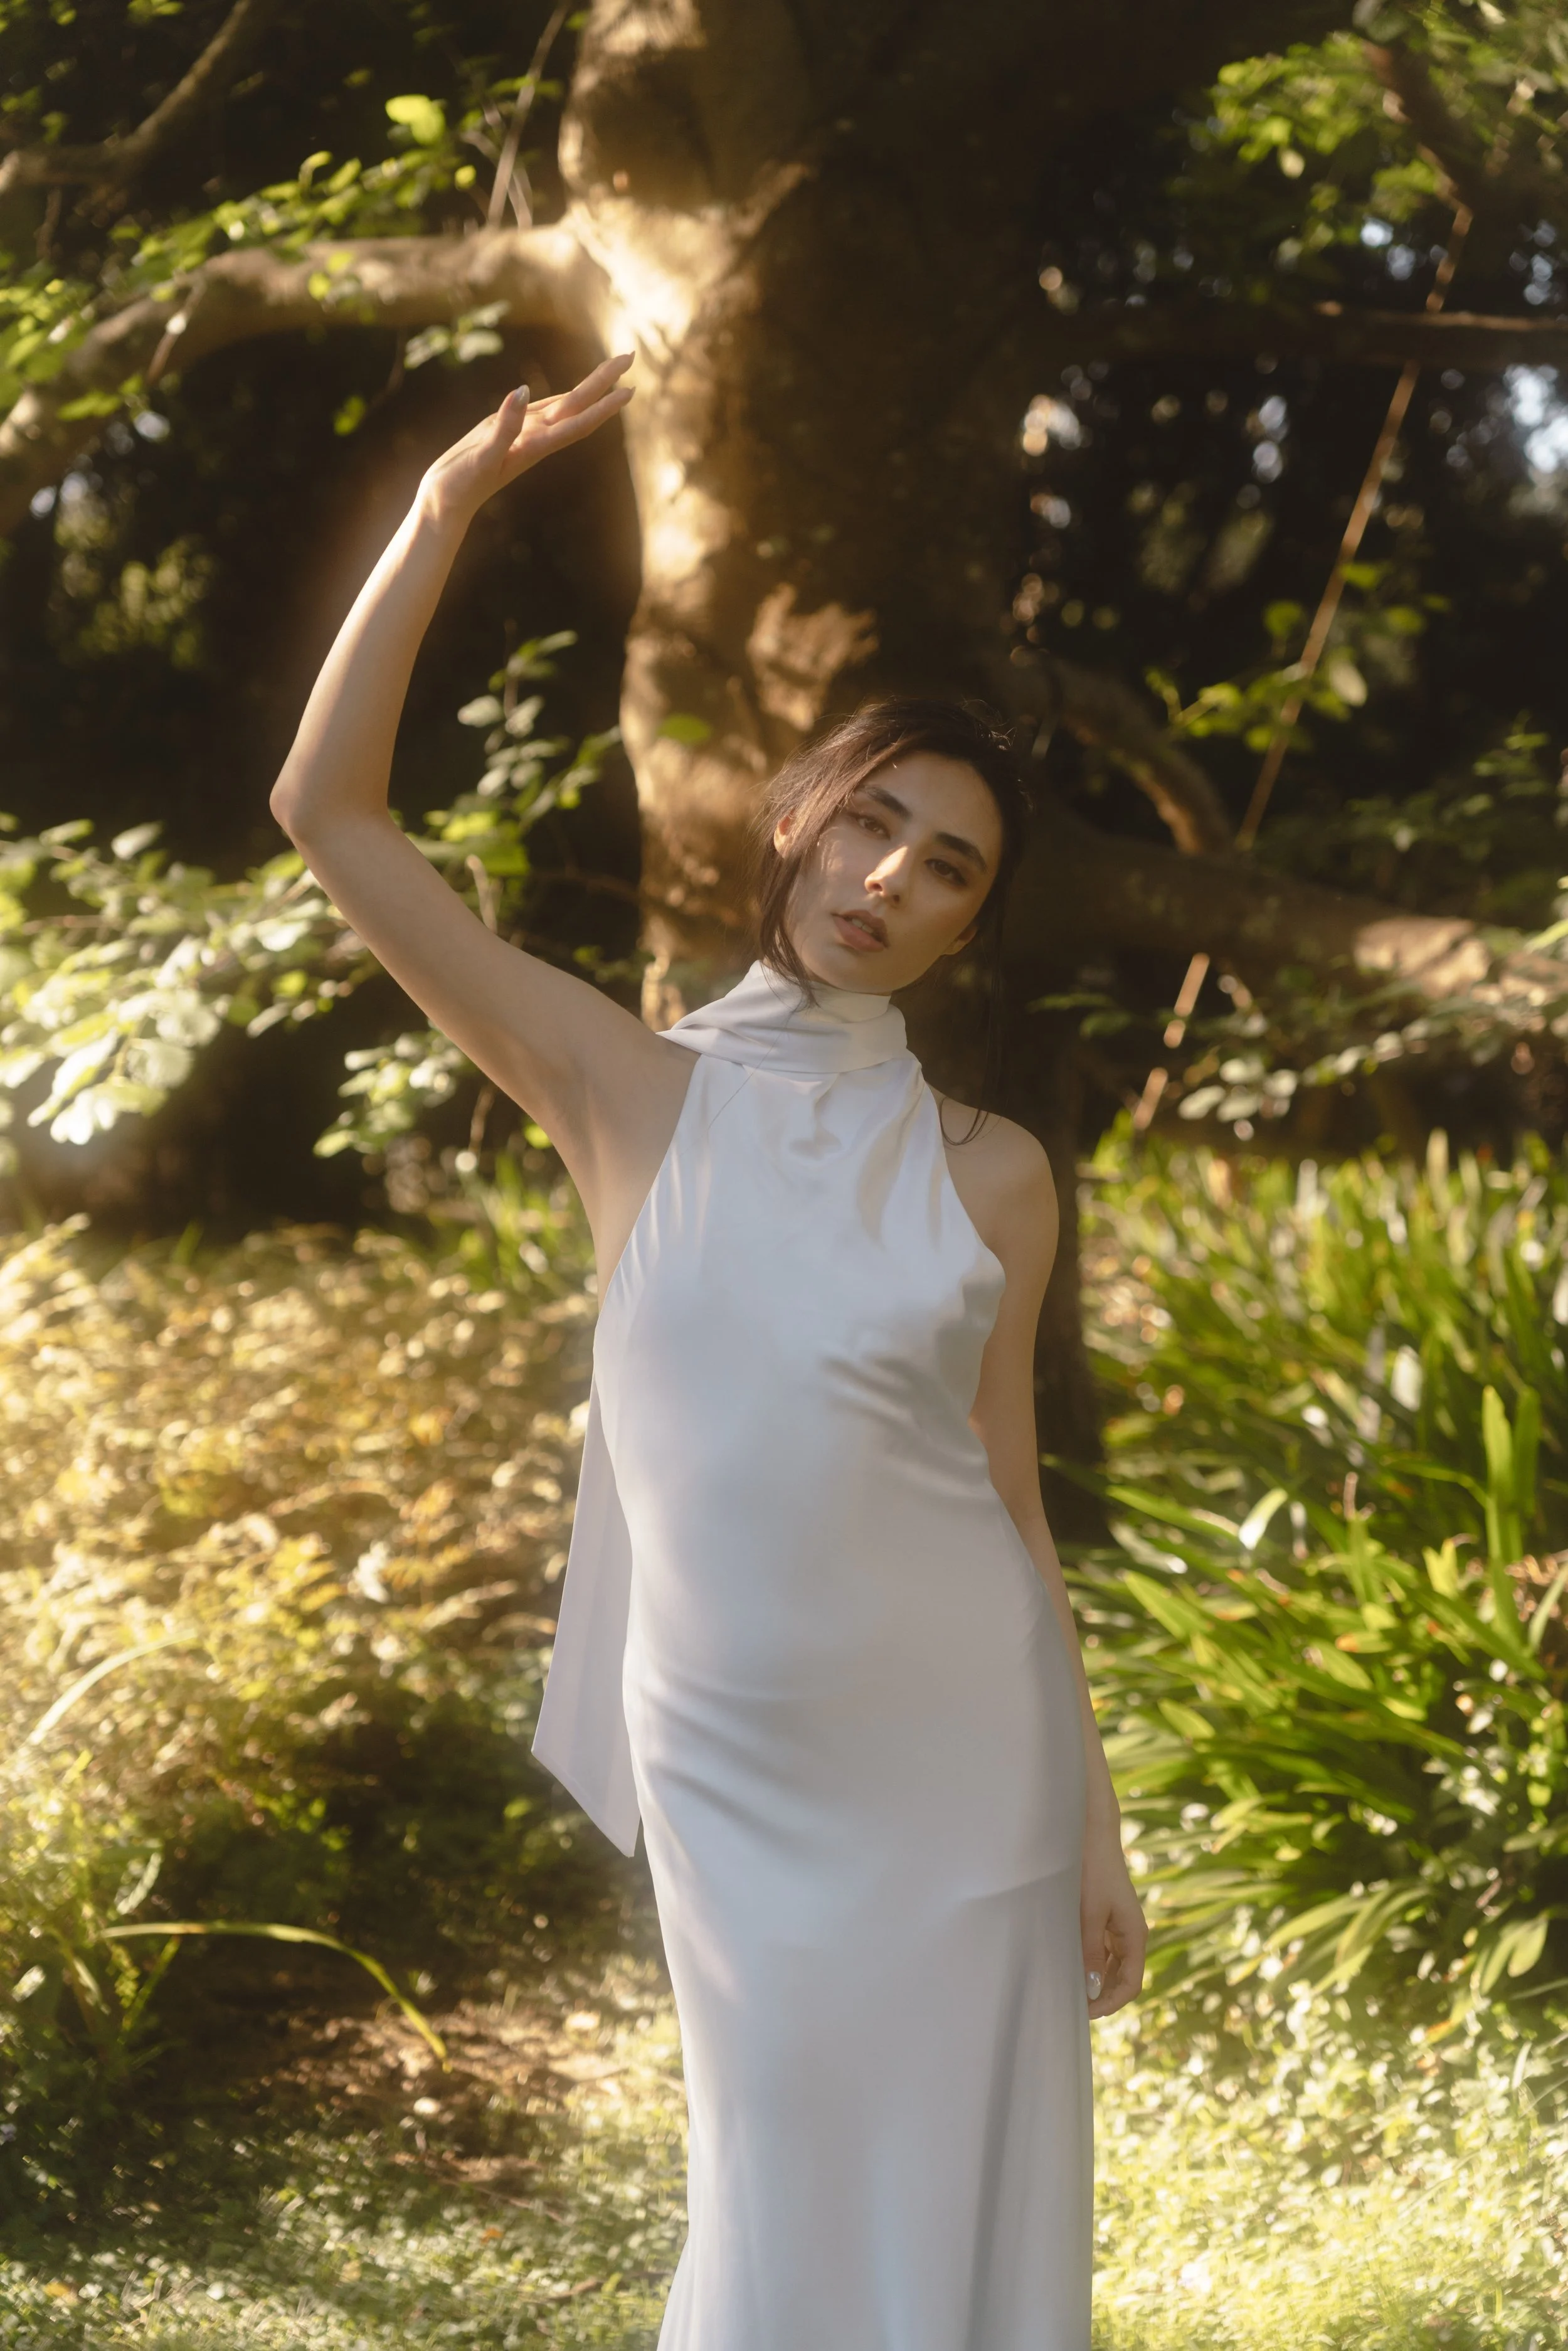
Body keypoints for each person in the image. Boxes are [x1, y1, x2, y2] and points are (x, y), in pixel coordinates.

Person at [270, 354, 1148, 2350]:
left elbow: (1011, 1510)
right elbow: (326, 812)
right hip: (739, 1748)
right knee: (777, 2182)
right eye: (873, 827)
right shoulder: (627, 1088)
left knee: (968, 2192)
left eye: (947, 869)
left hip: (971, 1755)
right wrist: (441, 513)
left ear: (965, 930)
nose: (891, 880)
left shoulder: (994, 1173)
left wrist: (1090, 1821)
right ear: (799, 823)